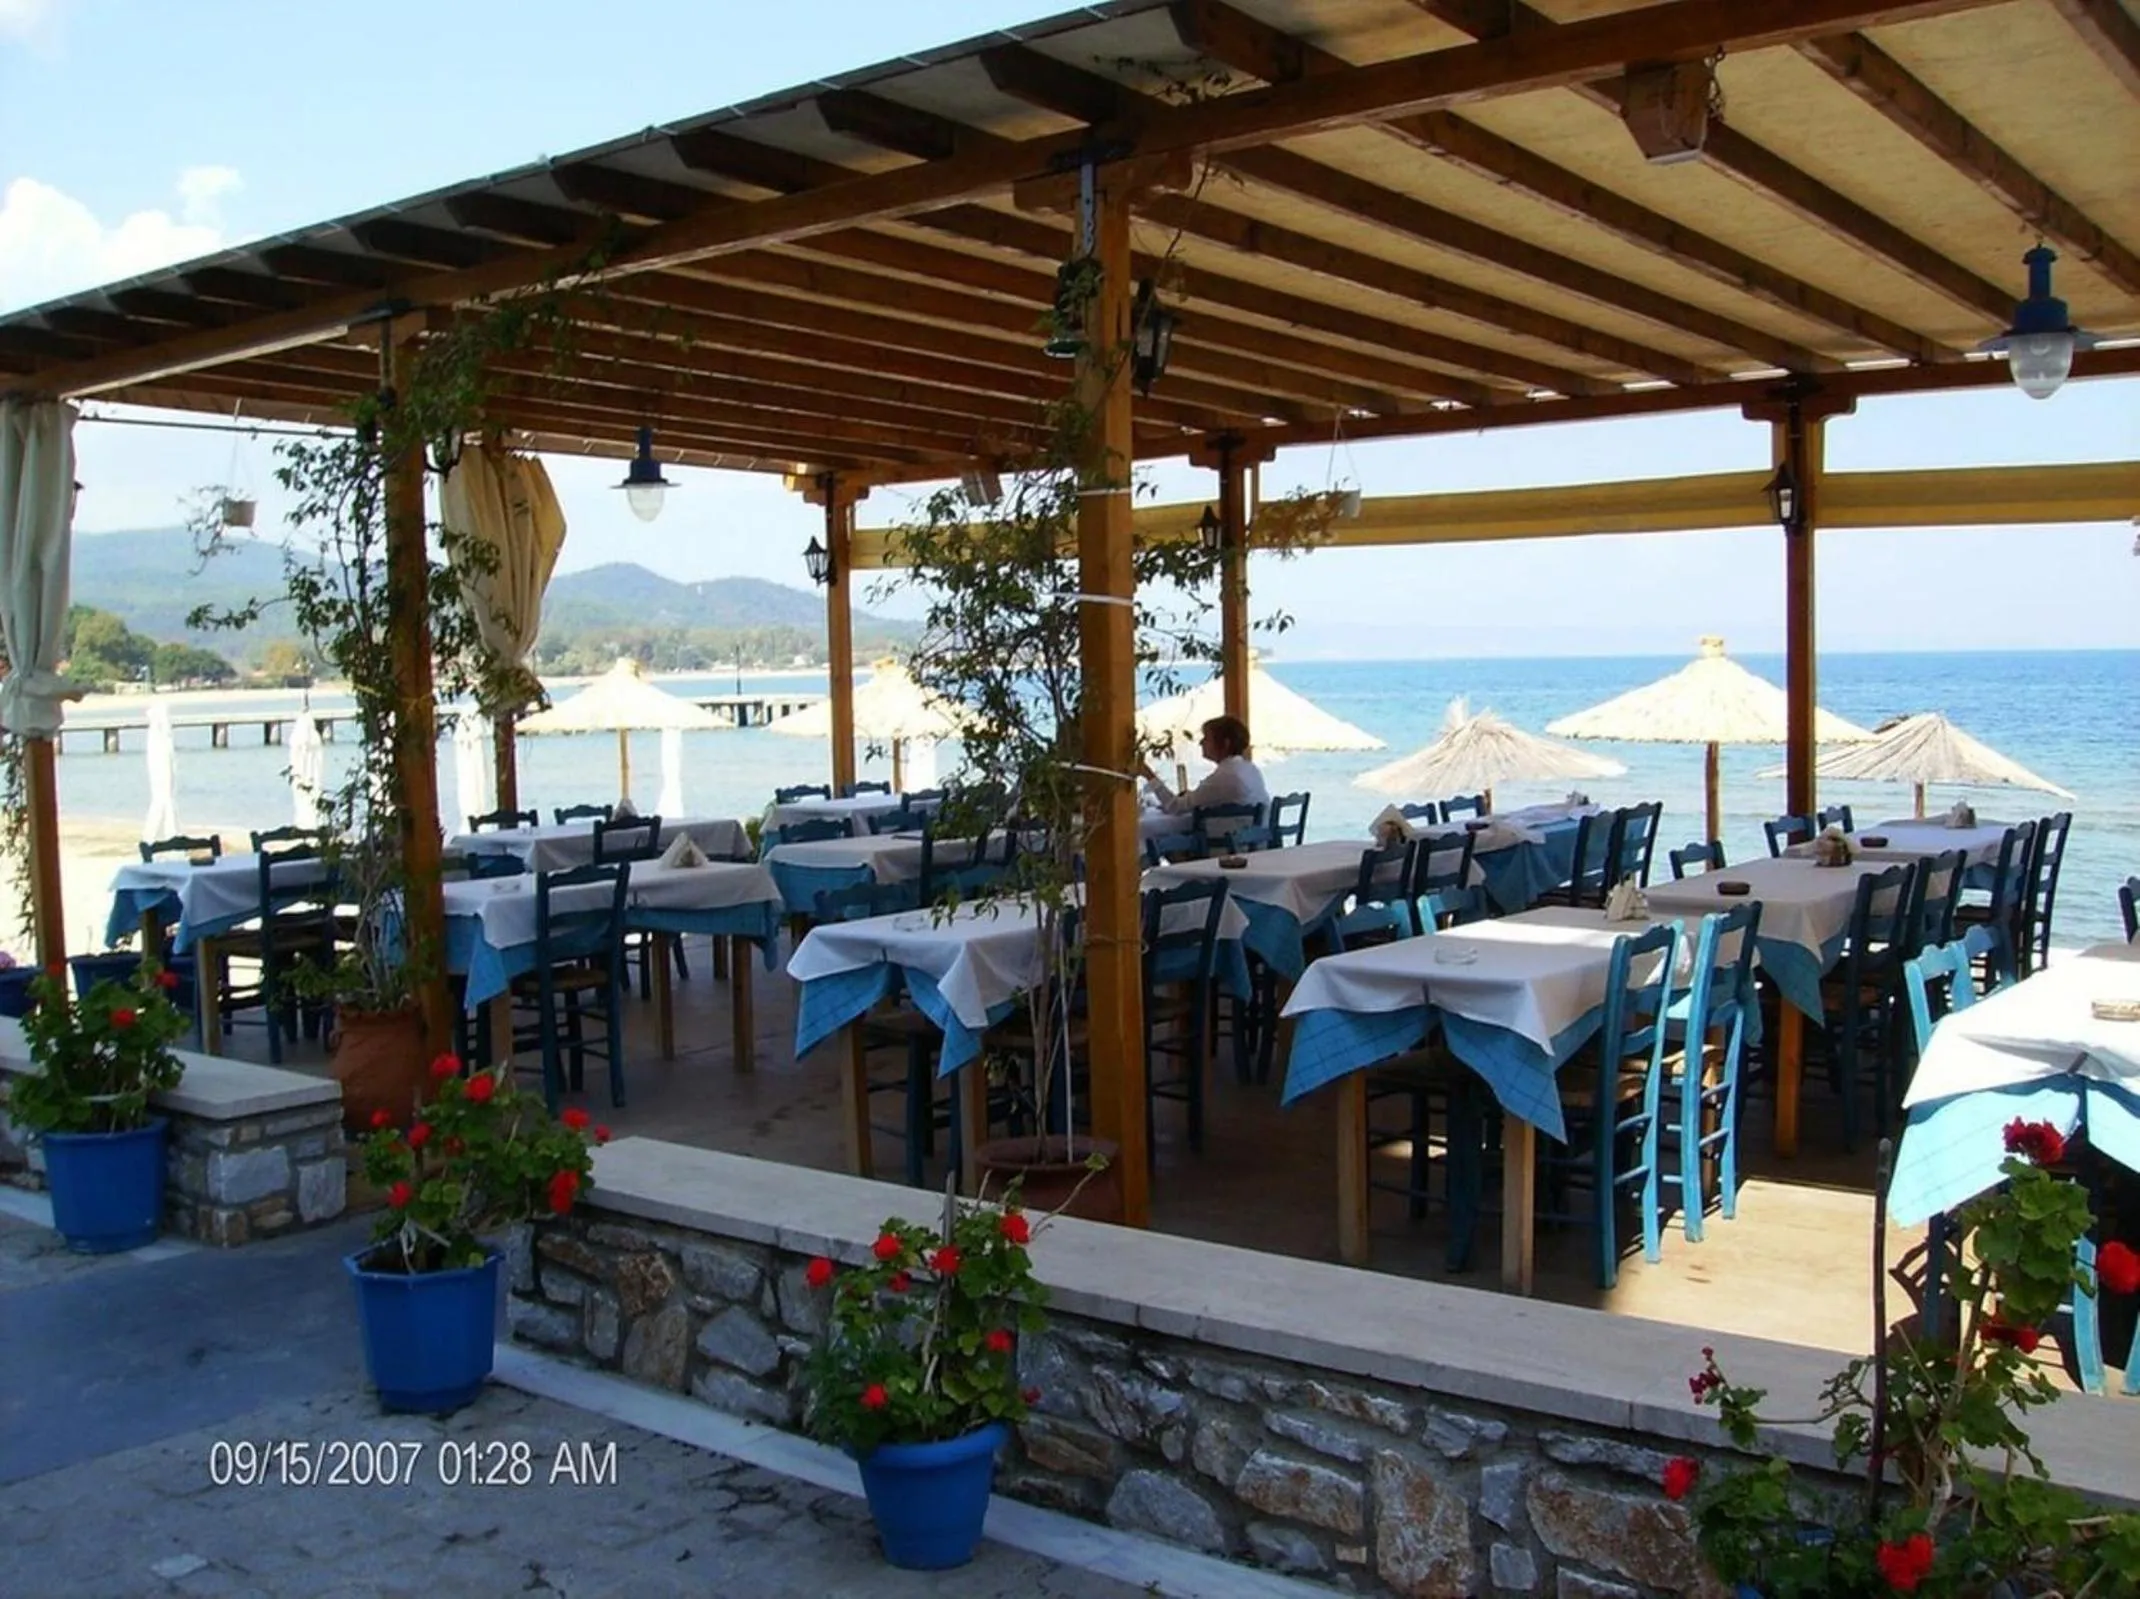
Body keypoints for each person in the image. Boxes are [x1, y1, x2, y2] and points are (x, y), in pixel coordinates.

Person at [1141, 715, 1269, 816]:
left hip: (1226, 846)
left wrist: (1148, 774)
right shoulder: (1250, 769)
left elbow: (1175, 807)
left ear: (1225, 744)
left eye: (1206, 738)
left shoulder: (1225, 777)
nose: (1201, 743)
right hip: (1255, 843)